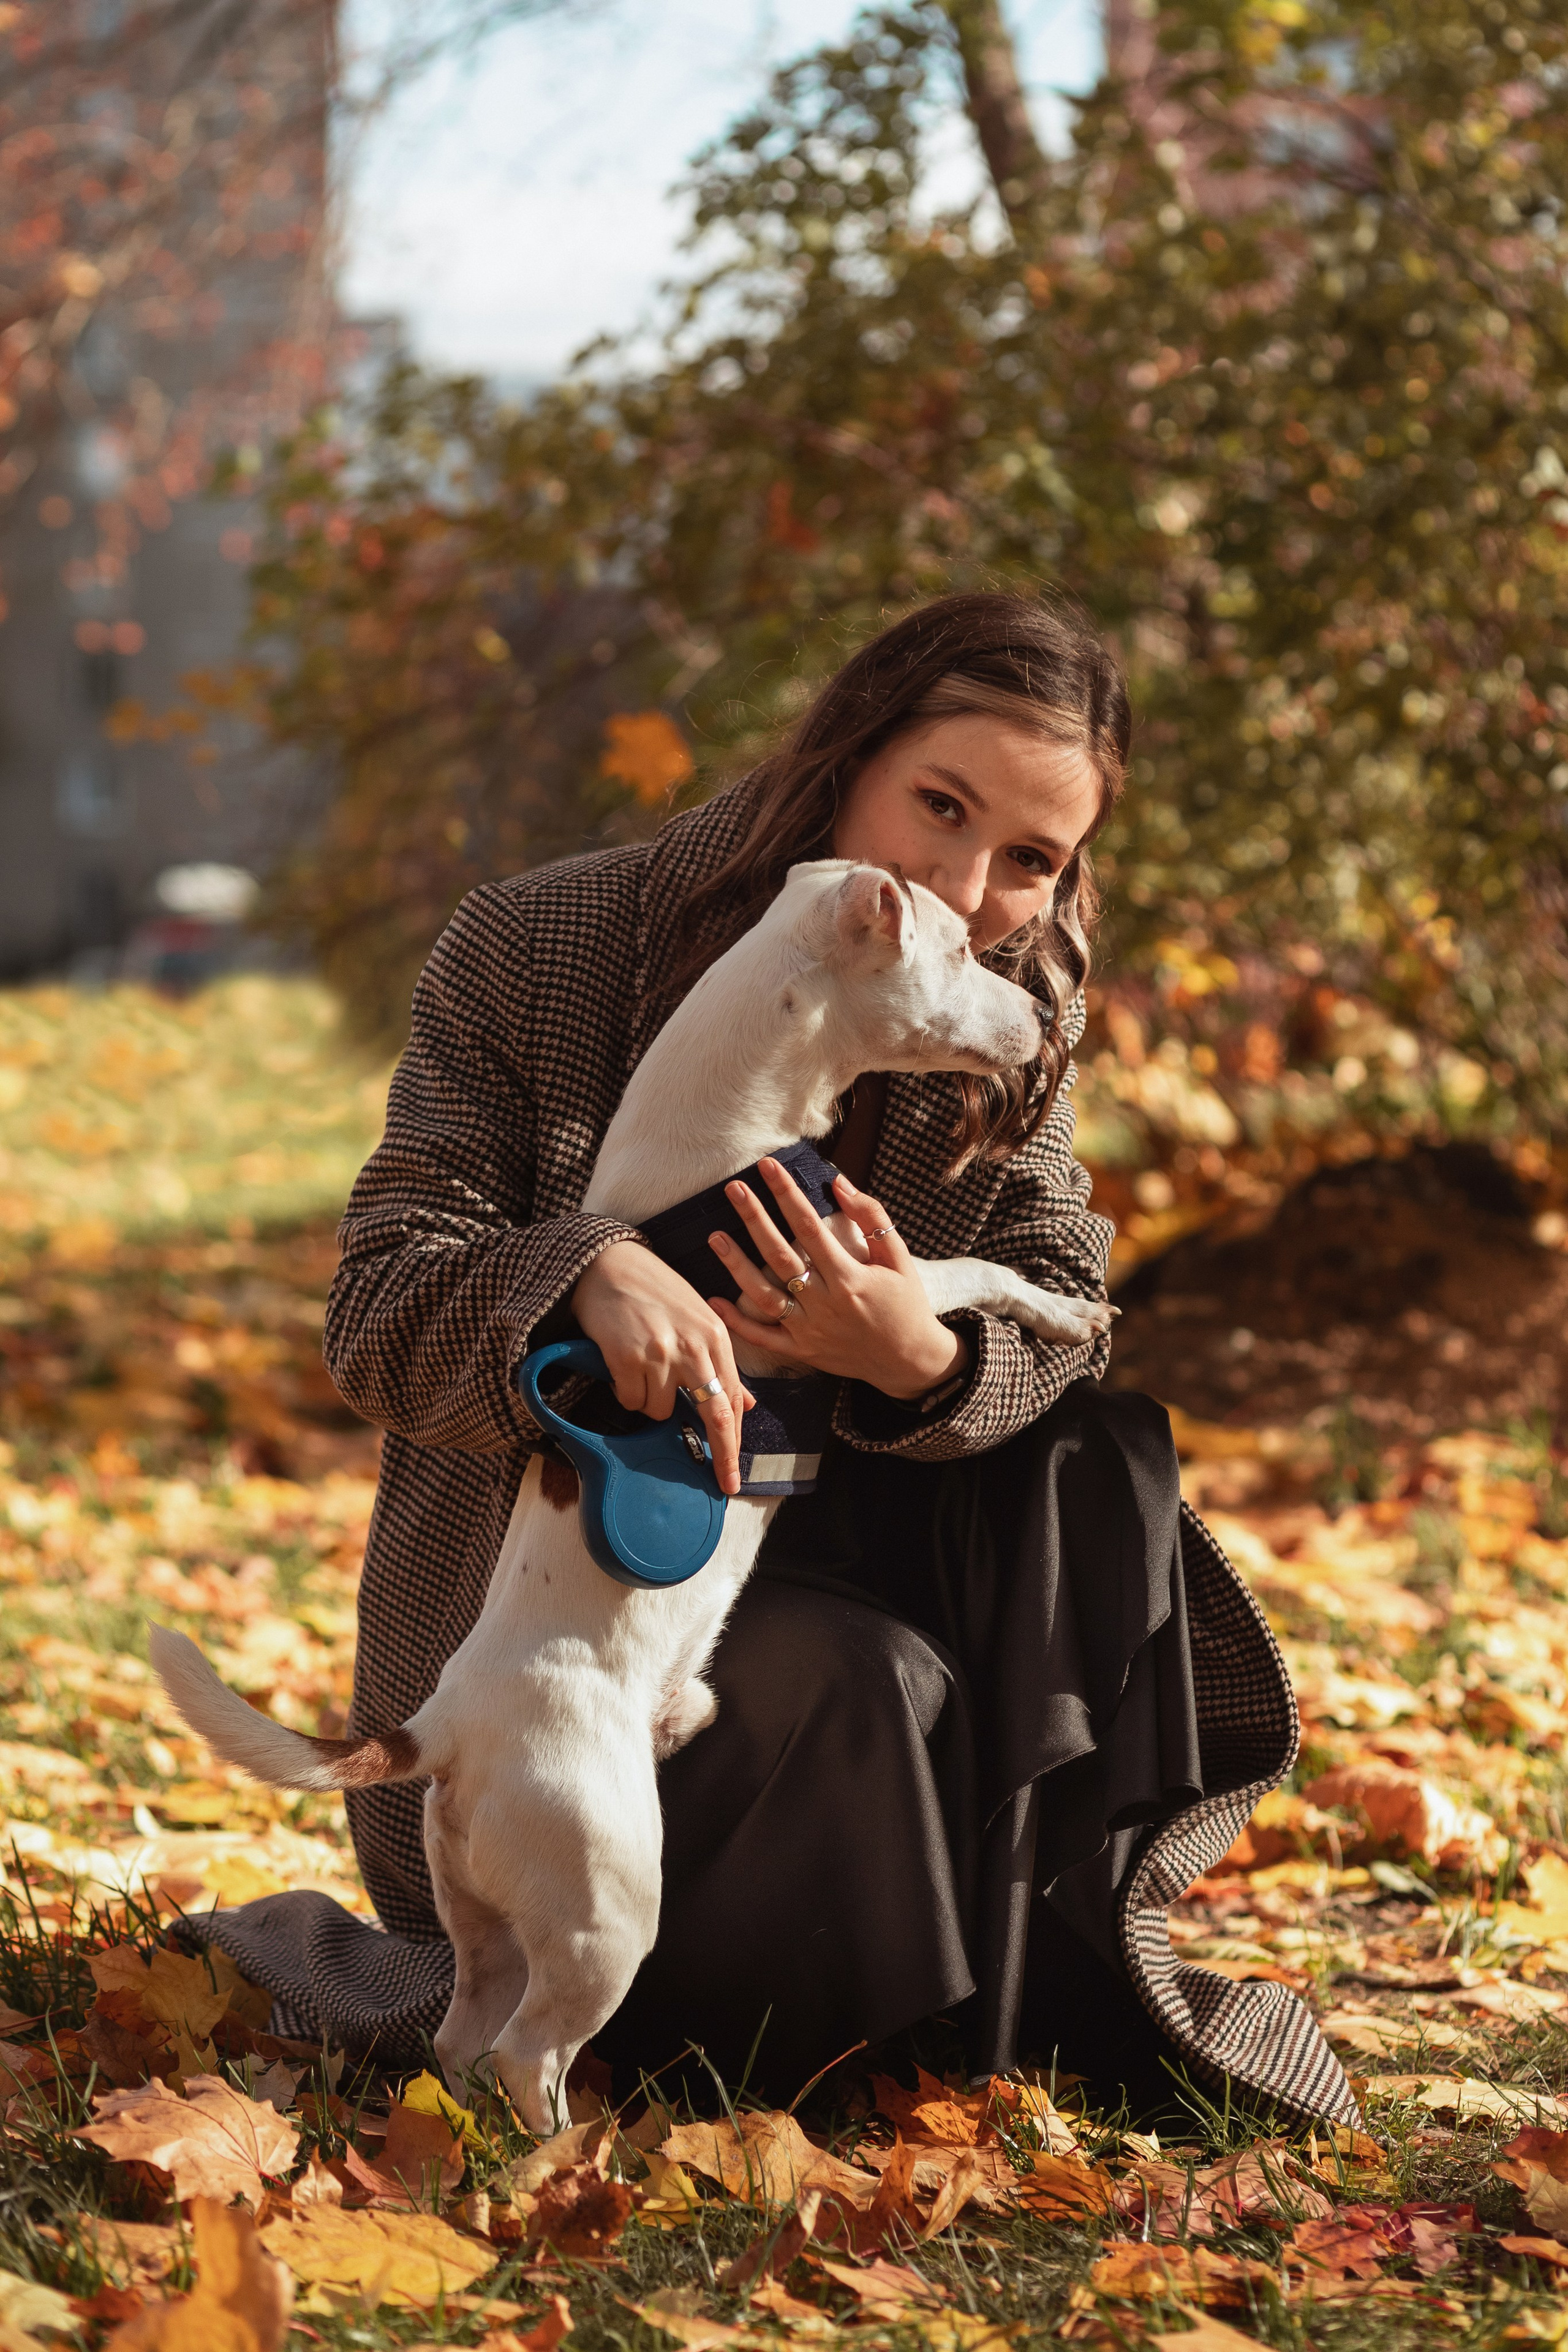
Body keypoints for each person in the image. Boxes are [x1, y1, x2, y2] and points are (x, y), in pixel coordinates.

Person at [177, 591, 1355, 2127]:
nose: (960, 880)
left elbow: (1071, 1291)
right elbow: (381, 1309)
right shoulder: (544, 943)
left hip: (862, 1548)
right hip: (553, 1656)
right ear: (848, 754)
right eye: (940, 805)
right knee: (856, 1685)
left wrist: (918, 1356)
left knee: (1070, 1484)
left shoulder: (1005, 1006)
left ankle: (881, 2021)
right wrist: (582, 1272)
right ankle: (771, 2049)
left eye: (1029, 858)